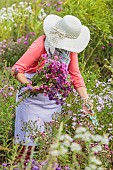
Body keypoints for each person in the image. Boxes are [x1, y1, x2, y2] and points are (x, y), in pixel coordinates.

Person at [11, 14, 93, 148]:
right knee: (27, 142)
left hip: (53, 100)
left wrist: (86, 100)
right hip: (31, 100)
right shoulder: (41, 44)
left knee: (48, 144)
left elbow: (75, 75)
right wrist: (31, 86)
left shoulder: (70, 50)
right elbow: (17, 69)